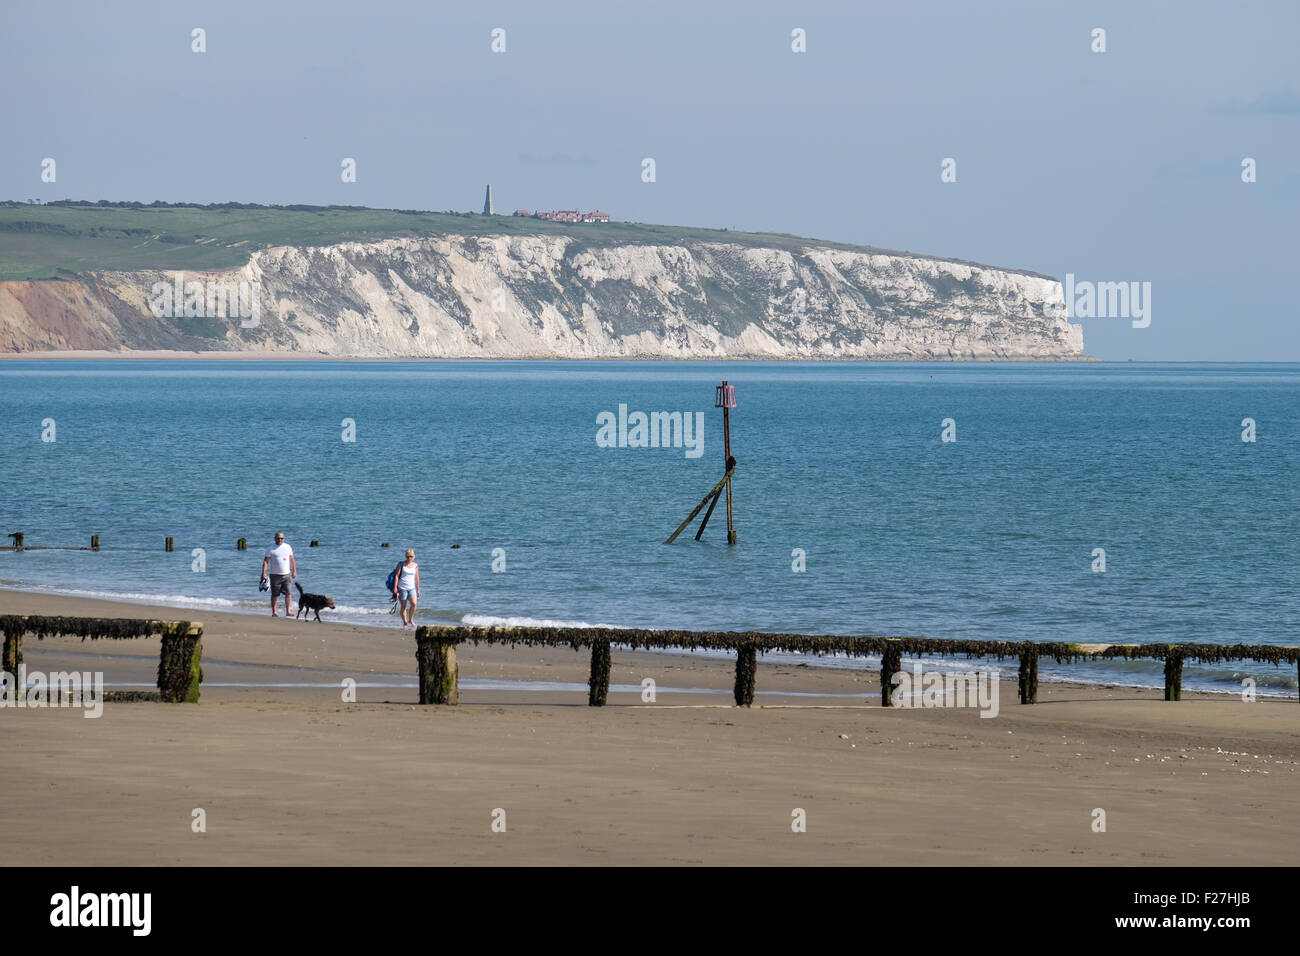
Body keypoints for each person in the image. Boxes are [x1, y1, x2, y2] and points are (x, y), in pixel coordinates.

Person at [261, 532, 297, 617]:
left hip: (287, 574)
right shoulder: (271, 548)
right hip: (275, 575)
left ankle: (288, 611)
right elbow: (266, 561)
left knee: (288, 593)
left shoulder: (288, 547)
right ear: (275, 538)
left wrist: (294, 570)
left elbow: (292, 559)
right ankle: (274, 612)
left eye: (281, 538)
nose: (280, 540)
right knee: (275, 594)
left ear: (284, 539)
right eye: (278, 538)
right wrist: (263, 573)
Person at [393, 549, 420, 627]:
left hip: (412, 588)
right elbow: (396, 576)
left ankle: (411, 620)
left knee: (414, 604)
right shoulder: (401, 564)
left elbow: (417, 578)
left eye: (411, 556)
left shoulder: (416, 566)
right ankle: (405, 622)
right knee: (403, 606)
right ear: (405, 556)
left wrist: (418, 589)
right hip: (402, 588)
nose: (409, 558)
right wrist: (395, 587)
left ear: (414, 557)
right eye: (408, 556)